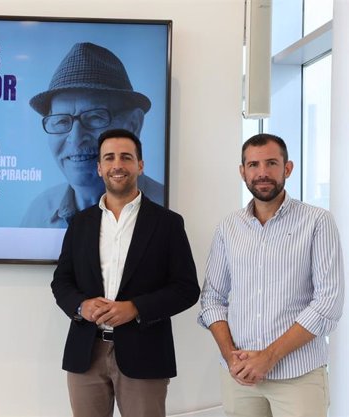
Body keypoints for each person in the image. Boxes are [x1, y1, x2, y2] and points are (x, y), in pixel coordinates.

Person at [51, 128, 200, 417]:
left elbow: (186, 288)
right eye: (109, 158)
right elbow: (62, 281)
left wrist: (135, 308)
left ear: (140, 165)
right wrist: (81, 305)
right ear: (99, 167)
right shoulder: (80, 223)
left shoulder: (167, 223)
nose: (117, 165)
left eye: (125, 157)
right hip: (85, 353)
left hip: (145, 353)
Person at [198, 133, 344, 417]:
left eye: (271, 163)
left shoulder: (317, 221)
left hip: (298, 377)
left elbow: (328, 303)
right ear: (243, 172)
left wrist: (268, 357)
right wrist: (231, 357)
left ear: (287, 168)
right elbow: (212, 298)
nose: (262, 173)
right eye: (253, 165)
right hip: (239, 377)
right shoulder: (228, 228)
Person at [22, 42, 164, 228]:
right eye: (62, 121)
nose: (76, 138)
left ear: (133, 124)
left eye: (95, 117)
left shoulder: (165, 212)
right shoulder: (38, 213)